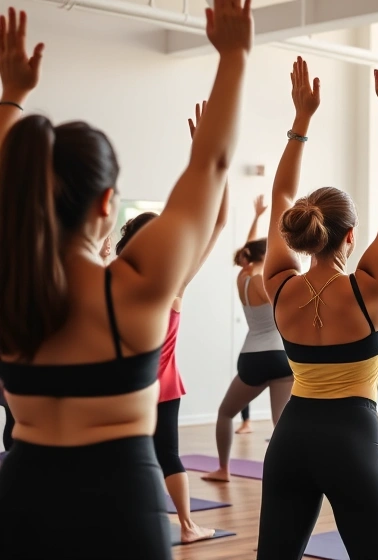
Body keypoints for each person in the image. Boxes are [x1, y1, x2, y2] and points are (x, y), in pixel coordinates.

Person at [0, 0, 251, 557]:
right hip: (117, 502)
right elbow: (208, 166)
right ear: (108, 203)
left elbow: (11, 187)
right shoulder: (135, 288)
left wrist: (12, 94)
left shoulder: (10, 283)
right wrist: (234, 57)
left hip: (21, 498)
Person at [257, 47, 378, 559]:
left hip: (291, 440)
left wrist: (301, 120)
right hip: (351, 442)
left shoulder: (279, 284)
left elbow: (280, 193)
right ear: (349, 237)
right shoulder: (369, 288)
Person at [114, 100, 229, 543]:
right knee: (169, 455)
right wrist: (212, 157)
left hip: (126, 386)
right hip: (164, 388)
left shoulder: (113, 284)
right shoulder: (172, 286)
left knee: (132, 455)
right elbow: (217, 221)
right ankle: (186, 525)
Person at [202, 196, 294, 482]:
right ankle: (287, 475)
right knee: (282, 422)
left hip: (254, 356)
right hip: (281, 356)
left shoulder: (242, 278)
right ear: (266, 256)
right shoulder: (266, 281)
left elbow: (250, 246)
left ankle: (223, 469)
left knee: (226, 413)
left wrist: (257, 217)